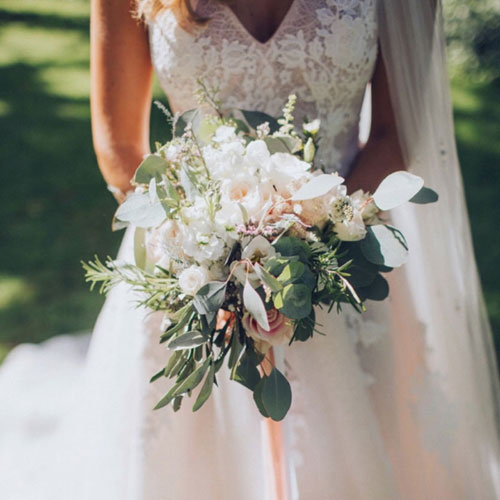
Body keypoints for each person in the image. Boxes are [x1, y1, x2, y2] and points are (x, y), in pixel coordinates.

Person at [1, 0, 499, 499]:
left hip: (345, 254)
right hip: (193, 262)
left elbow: (394, 132)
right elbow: (120, 149)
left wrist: (314, 243)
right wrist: (207, 251)